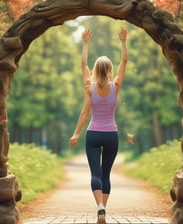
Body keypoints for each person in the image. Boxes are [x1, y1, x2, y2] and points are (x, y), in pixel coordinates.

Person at [69, 27, 128, 224]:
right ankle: (104, 208)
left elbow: (83, 64)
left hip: (93, 133)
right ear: (110, 70)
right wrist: (123, 41)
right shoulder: (116, 86)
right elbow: (124, 62)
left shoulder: (89, 87)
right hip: (111, 135)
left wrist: (76, 133)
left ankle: (99, 207)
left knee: (94, 173)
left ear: (95, 70)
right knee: (105, 175)